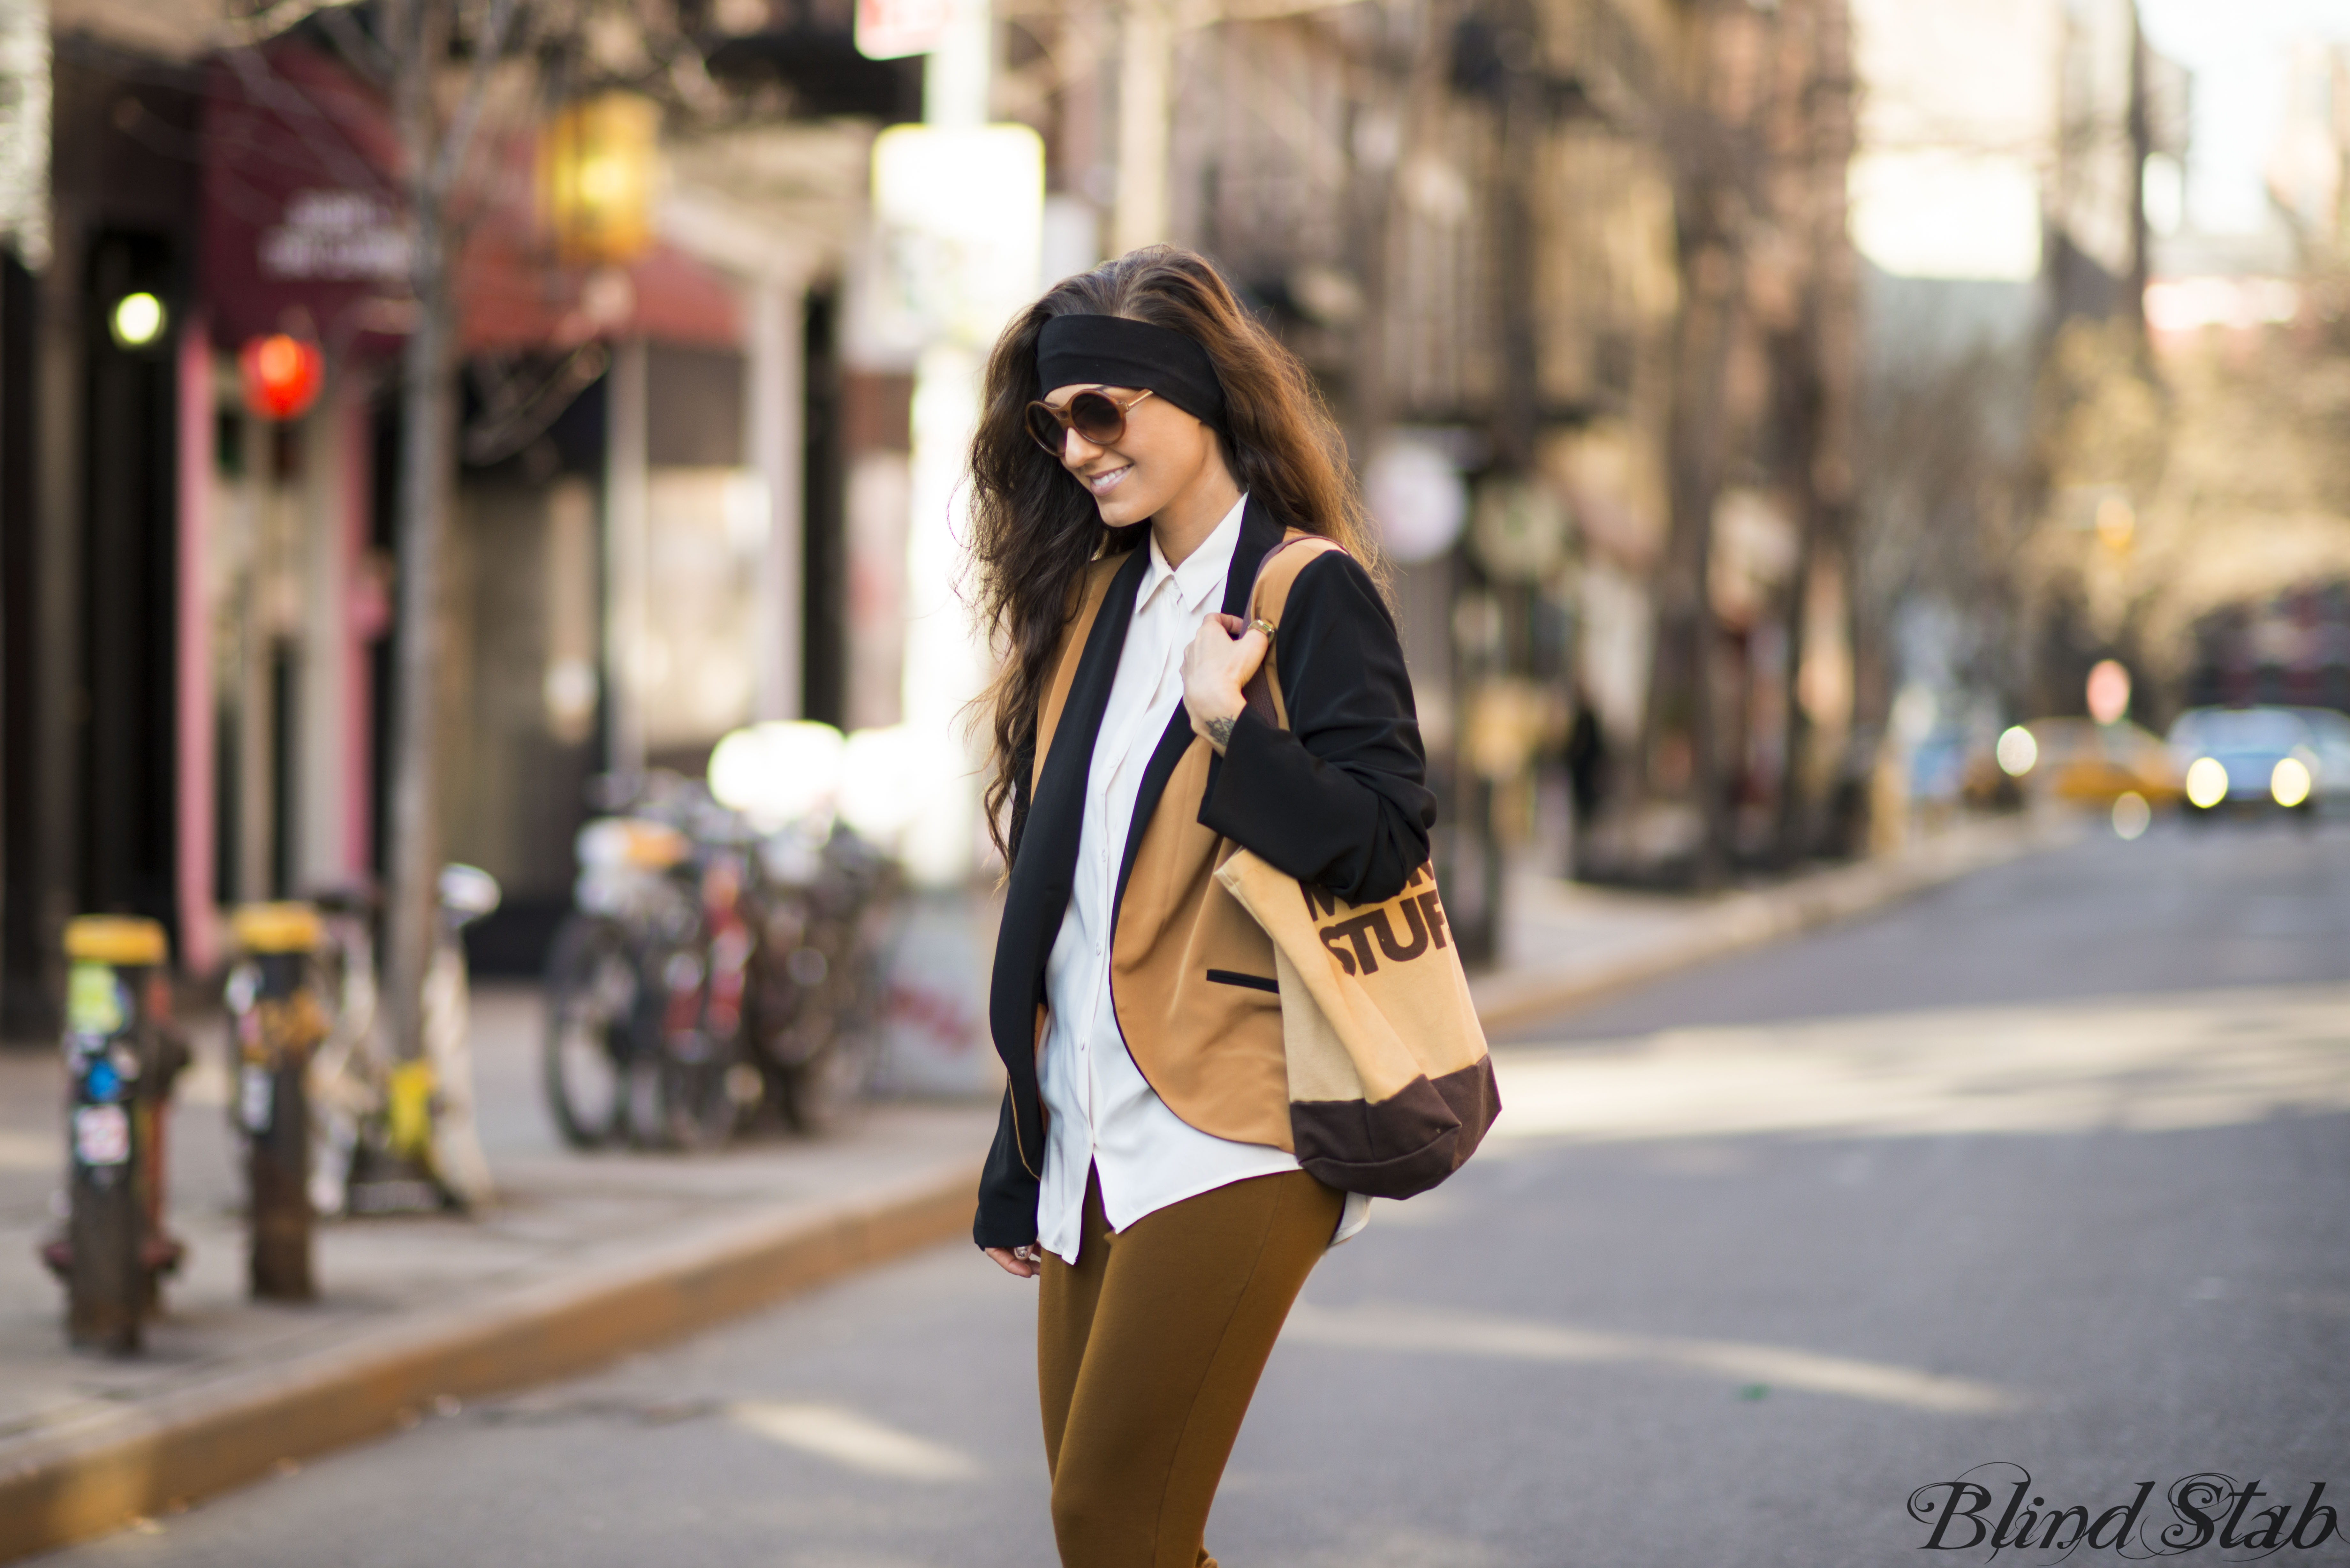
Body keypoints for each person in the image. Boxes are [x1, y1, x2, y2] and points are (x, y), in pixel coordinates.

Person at [965, 245, 1434, 1568]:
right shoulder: (1096, 606)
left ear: (1197, 401)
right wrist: (1023, 1140)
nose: (1072, 447)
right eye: (1052, 421)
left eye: (1101, 412)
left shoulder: (1304, 590)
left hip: (1236, 1118)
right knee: (1122, 1536)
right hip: (1092, 1139)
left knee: (1109, 1521)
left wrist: (1231, 728)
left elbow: (1385, 840)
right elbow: (1060, 899)